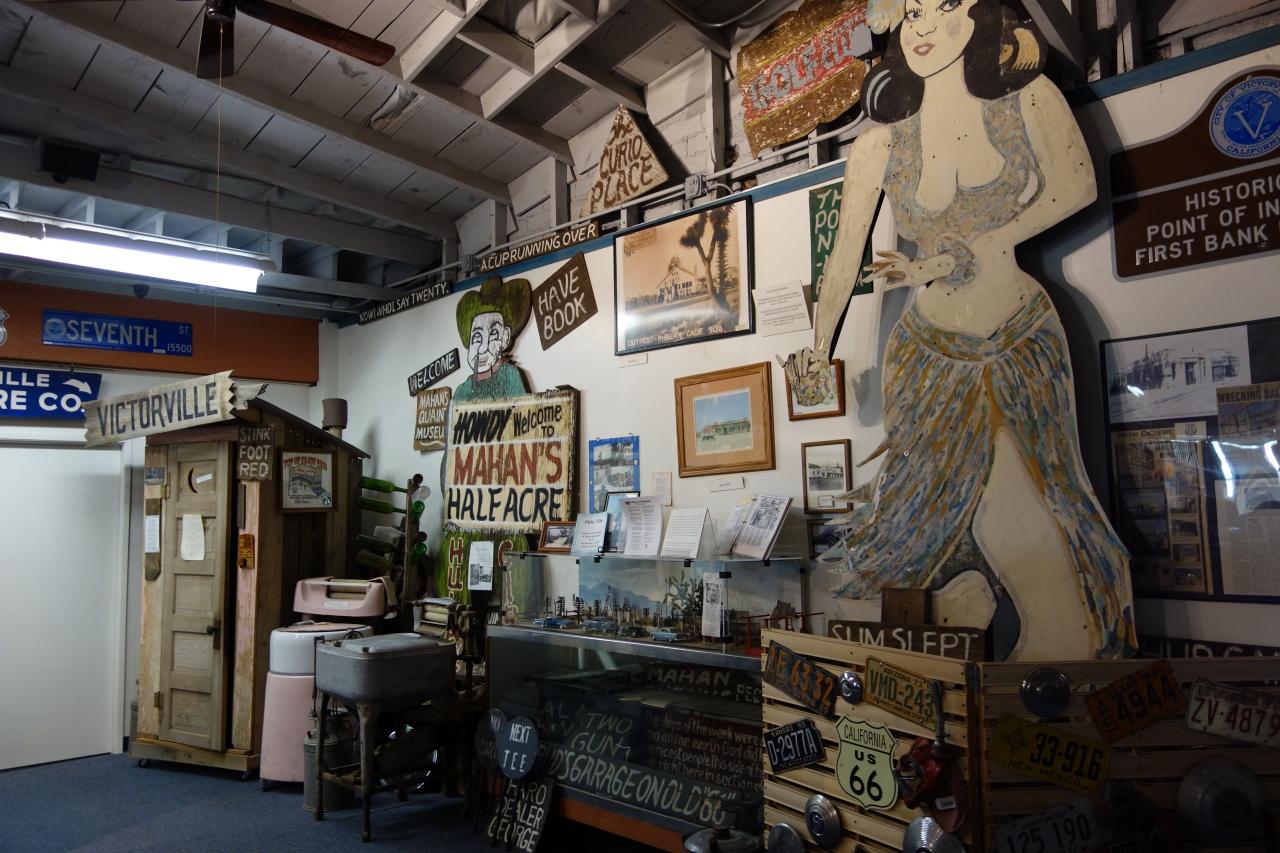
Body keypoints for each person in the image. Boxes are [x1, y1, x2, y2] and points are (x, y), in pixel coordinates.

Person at [786, 0, 1135, 659]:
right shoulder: (878, 143)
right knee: (913, 528)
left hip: (1020, 334)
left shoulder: (1028, 99)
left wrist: (985, 242)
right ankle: (954, 621)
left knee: (1033, 510)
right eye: (912, 12)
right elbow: (844, 255)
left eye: (944, 7)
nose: (923, 27)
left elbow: (1077, 184)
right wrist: (815, 346)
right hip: (927, 351)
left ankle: (1043, 659)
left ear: (979, 17)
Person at [453, 276, 532, 402]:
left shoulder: (510, 377)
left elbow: (522, 411)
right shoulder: (462, 391)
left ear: (505, 337)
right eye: (477, 338)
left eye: (493, 336)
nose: (483, 348)